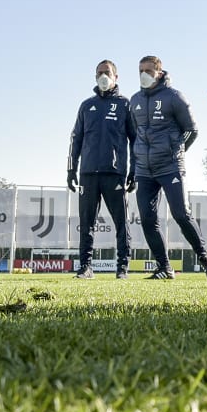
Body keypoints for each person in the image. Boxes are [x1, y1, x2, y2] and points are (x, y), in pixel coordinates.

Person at [129, 55, 207, 280]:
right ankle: (164, 267)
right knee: (148, 220)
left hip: (170, 168)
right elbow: (136, 134)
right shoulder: (135, 100)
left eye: (148, 70)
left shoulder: (174, 97)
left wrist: (176, 152)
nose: (144, 74)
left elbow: (191, 130)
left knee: (181, 214)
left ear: (159, 72)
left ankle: (204, 258)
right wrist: (137, 162)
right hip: (144, 171)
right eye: (141, 70)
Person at [67, 59, 136, 279]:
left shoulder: (125, 105)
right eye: (99, 73)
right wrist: (71, 170)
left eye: (107, 73)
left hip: (114, 173)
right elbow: (75, 139)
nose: (102, 76)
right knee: (86, 223)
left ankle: (122, 268)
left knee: (121, 223)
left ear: (116, 77)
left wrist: (134, 171)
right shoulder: (86, 105)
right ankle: (85, 267)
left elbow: (136, 141)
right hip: (87, 174)